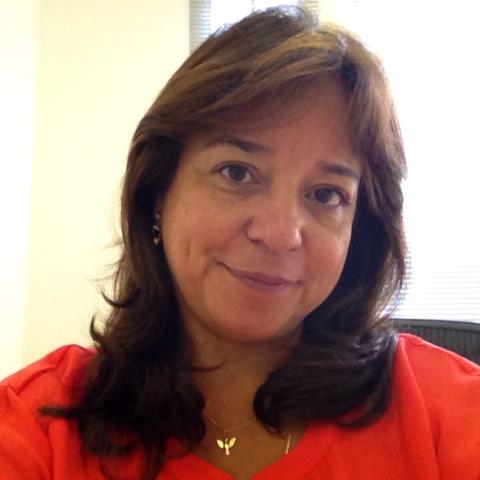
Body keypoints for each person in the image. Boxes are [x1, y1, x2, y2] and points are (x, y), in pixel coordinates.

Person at [1, 6, 479, 480]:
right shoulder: (37, 425)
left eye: (326, 195)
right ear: (158, 192)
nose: (279, 234)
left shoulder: (447, 410)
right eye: (237, 172)